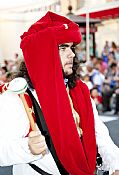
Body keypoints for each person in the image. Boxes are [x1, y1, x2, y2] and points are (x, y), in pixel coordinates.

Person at [0, 11, 119, 175]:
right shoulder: (16, 98)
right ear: (41, 53)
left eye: (71, 47)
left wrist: (115, 164)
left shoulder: (80, 90)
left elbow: (100, 135)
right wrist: (27, 147)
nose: (72, 54)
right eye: (63, 48)